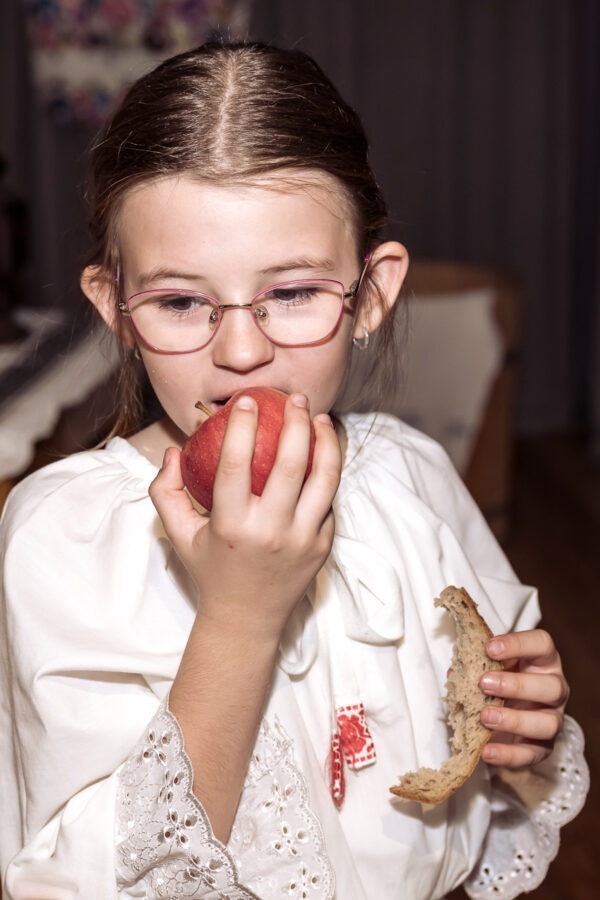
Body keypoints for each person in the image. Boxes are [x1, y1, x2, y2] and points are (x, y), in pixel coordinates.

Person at [0, 42, 588, 900]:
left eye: (293, 293)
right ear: (115, 309)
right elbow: (77, 878)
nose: (243, 352)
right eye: (179, 301)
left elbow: (486, 769)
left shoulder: (413, 477)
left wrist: (520, 739)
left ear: (371, 294)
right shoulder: (66, 534)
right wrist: (241, 616)